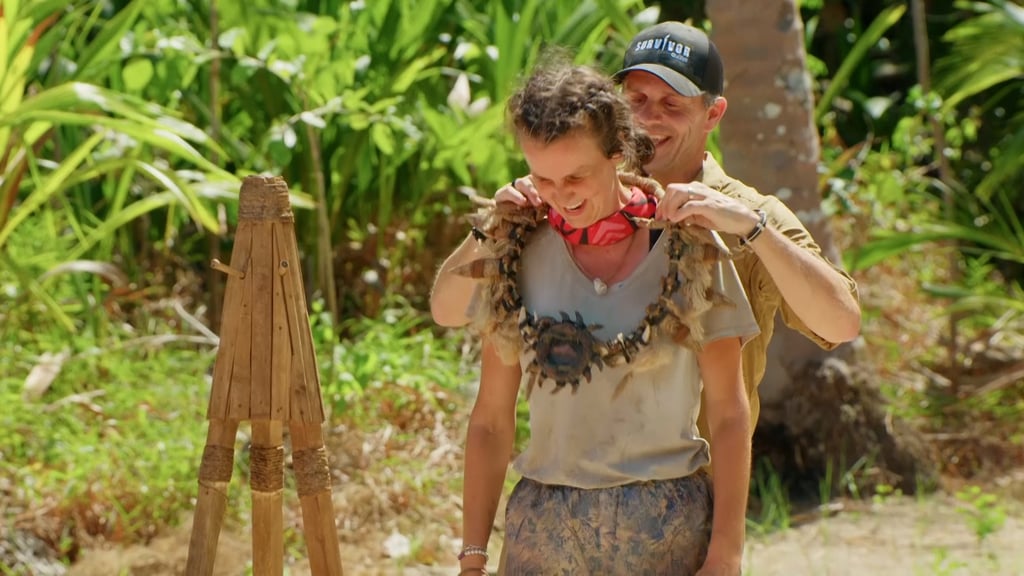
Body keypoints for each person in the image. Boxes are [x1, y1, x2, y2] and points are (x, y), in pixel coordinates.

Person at [431, 21, 861, 442]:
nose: (651, 119)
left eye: (673, 104)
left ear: (713, 114)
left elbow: (840, 322)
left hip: (705, 491)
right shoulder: (569, 196)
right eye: (637, 99)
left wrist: (754, 230)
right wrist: (495, 226)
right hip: (580, 484)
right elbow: (449, 312)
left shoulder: (747, 216)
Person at [439, 55, 760, 575]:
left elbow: (728, 413)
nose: (561, 196)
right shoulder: (516, 248)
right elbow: (490, 422)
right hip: (545, 530)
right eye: (543, 178)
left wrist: (726, 551)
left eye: (576, 176)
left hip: (667, 525)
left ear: (617, 153)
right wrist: (473, 558)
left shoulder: (690, 250)